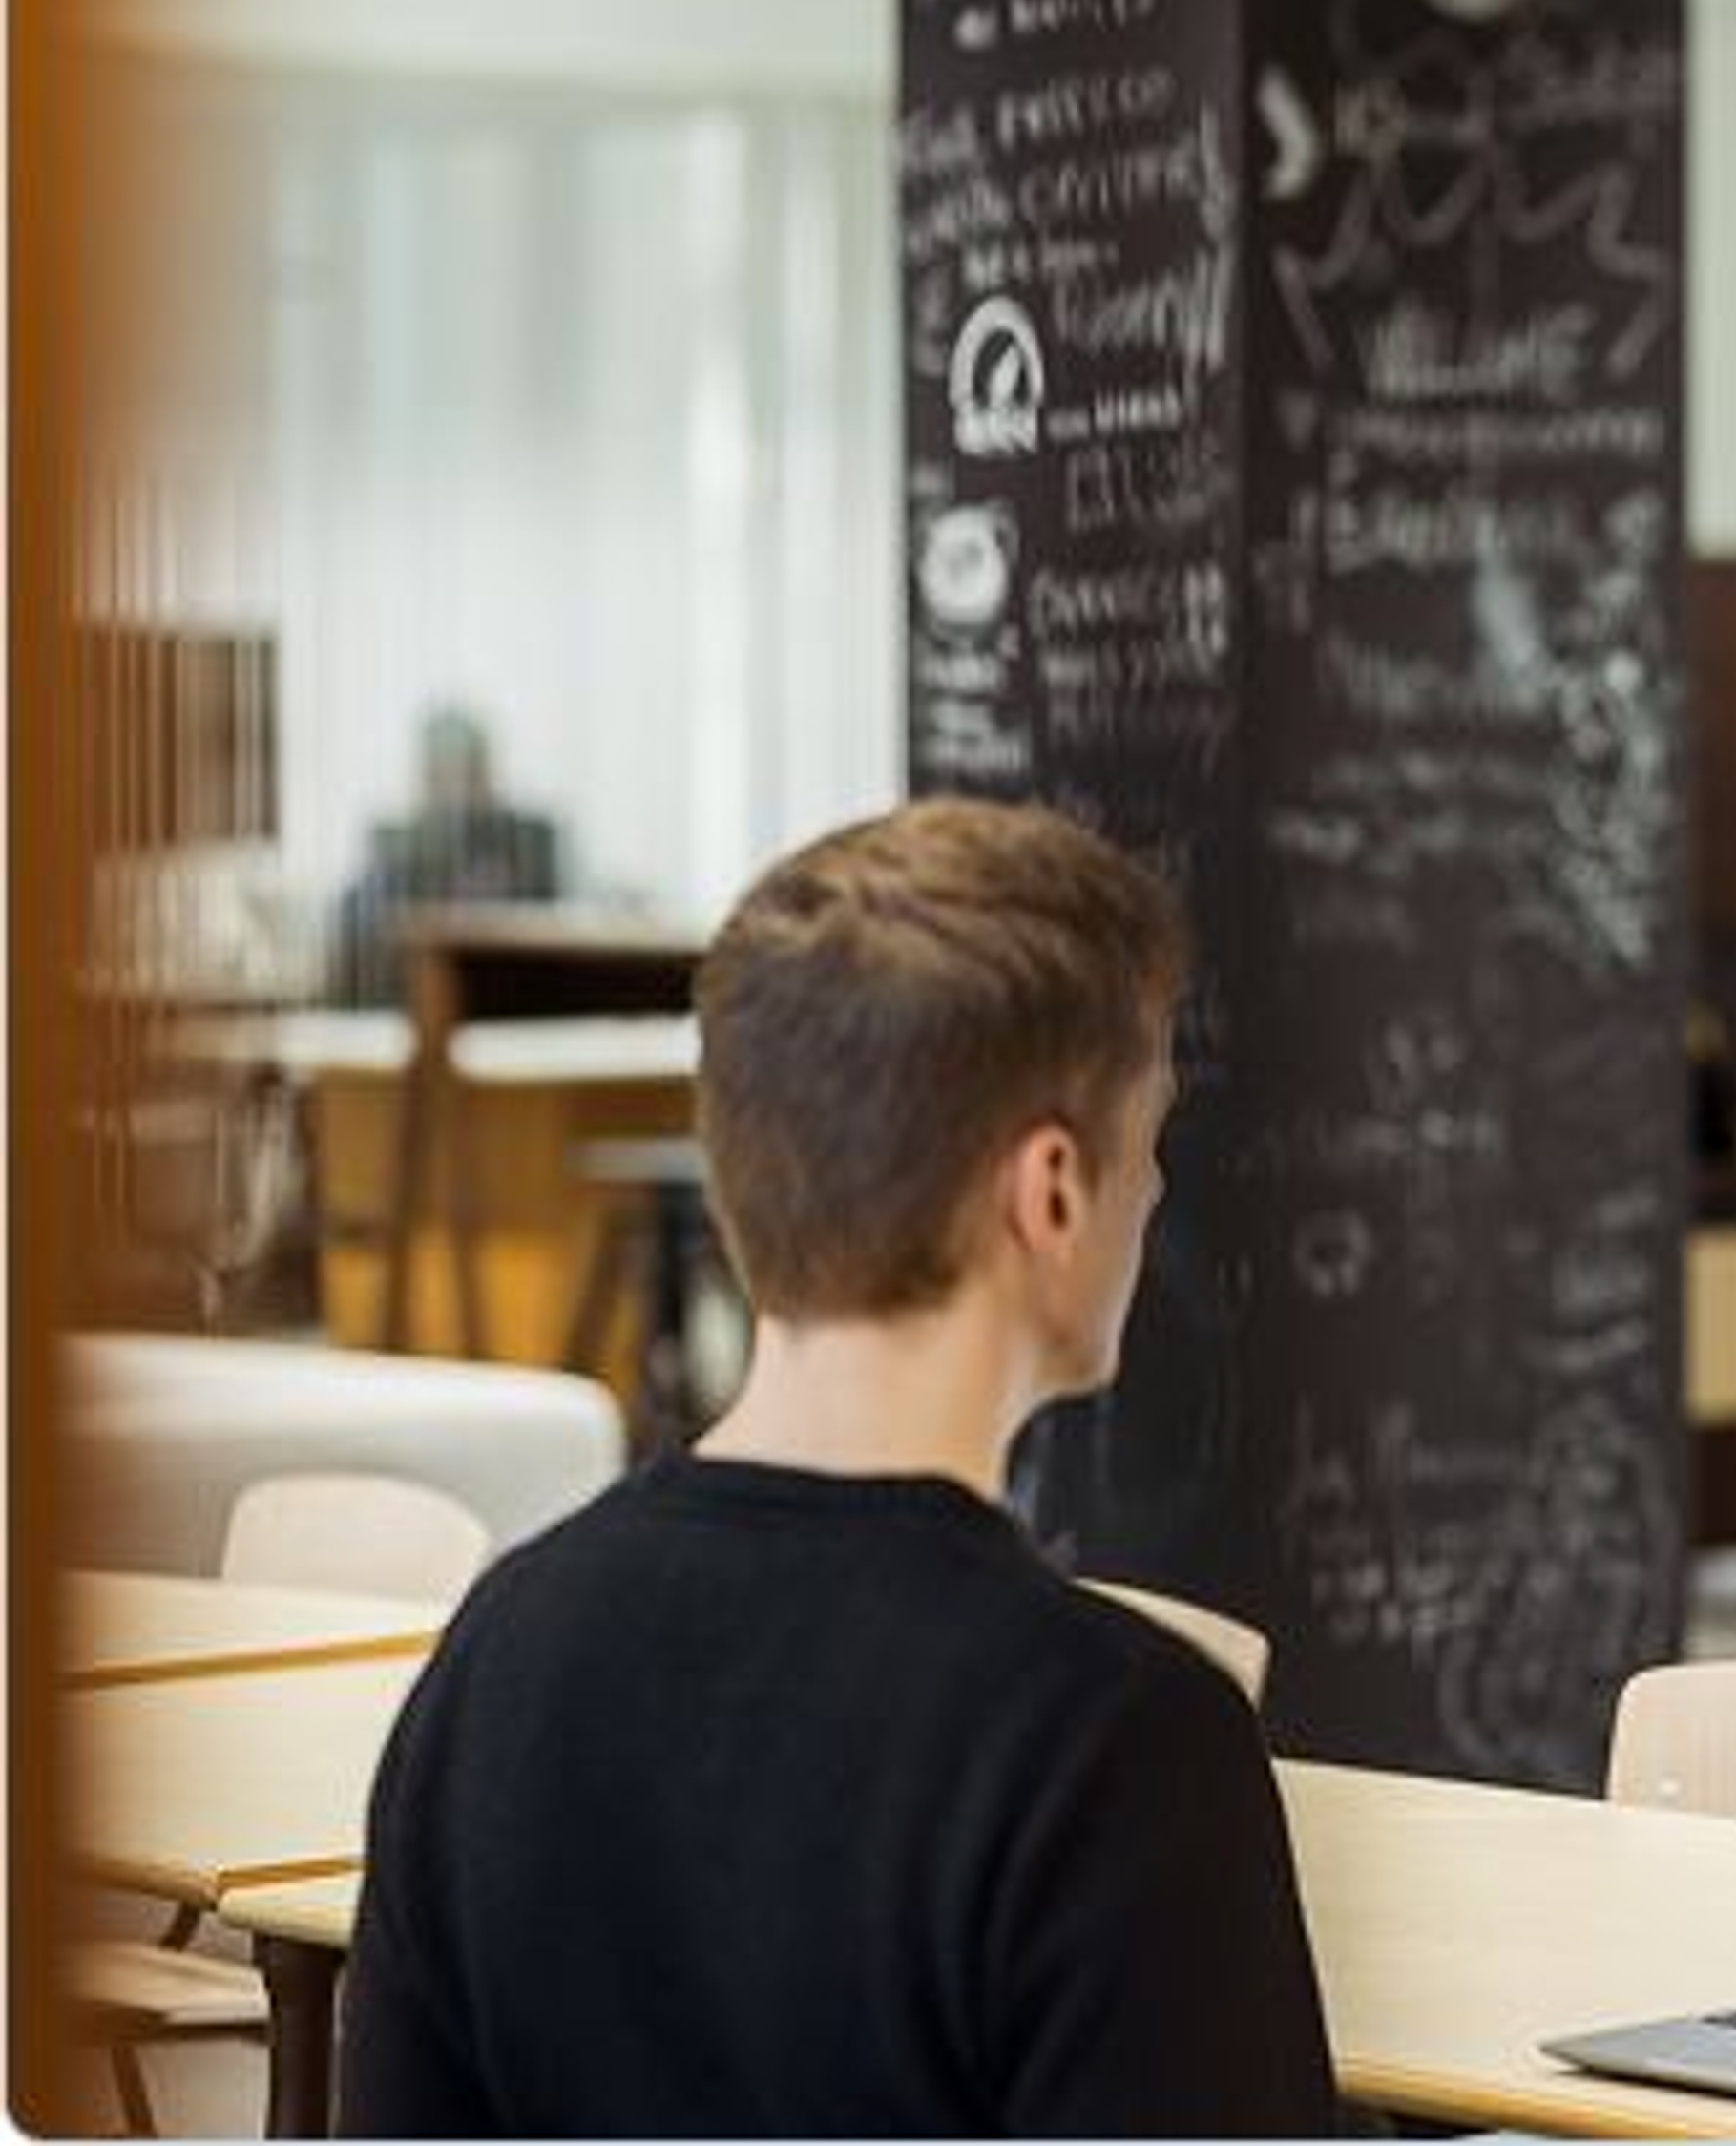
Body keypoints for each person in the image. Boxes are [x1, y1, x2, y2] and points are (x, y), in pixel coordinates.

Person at [342, 797, 1337, 2135]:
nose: (1154, 1191)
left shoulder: (500, 1651)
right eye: (1149, 1136)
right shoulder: (1123, 1744)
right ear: (1049, 1192)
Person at [327, 705, 566, 1008]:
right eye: (441, 772)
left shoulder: (528, 843)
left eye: (469, 771)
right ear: (426, 778)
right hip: (415, 1006)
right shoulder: (397, 851)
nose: (457, 788)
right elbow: (360, 928)